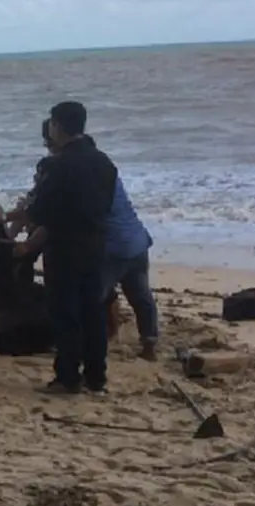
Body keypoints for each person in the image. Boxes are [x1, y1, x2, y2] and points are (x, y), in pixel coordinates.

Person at [20, 101, 118, 395]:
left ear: (58, 126)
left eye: (51, 123)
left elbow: (40, 211)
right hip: (95, 244)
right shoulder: (104, 162)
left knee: (65, 312)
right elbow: (108, 204)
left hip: (64, 246)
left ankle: (67, 377)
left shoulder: (59, 165)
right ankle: (96, 376)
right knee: (93, 310)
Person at [102, 174, 160, 361]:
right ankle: (149, 343)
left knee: (97, 296)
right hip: (137, 240)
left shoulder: (86, 186)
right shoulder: (111, 180)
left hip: (112, 248)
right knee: (141, 296)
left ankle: (105, 337)